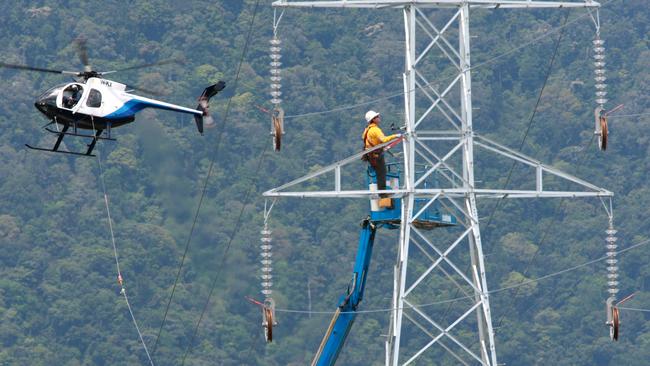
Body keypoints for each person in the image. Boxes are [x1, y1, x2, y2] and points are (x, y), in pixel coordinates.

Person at [362, 110, 400, 205]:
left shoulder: (367, 130)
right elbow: (384, 139)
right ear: (373, 119)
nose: (379, 117)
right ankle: (383, 195)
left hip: (371, 155)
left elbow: (364, 138)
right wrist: (396, 135)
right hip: (376, 155)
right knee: (382, 174)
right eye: (377, 116)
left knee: (380, 174)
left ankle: (382, 194)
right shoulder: (375, 130)